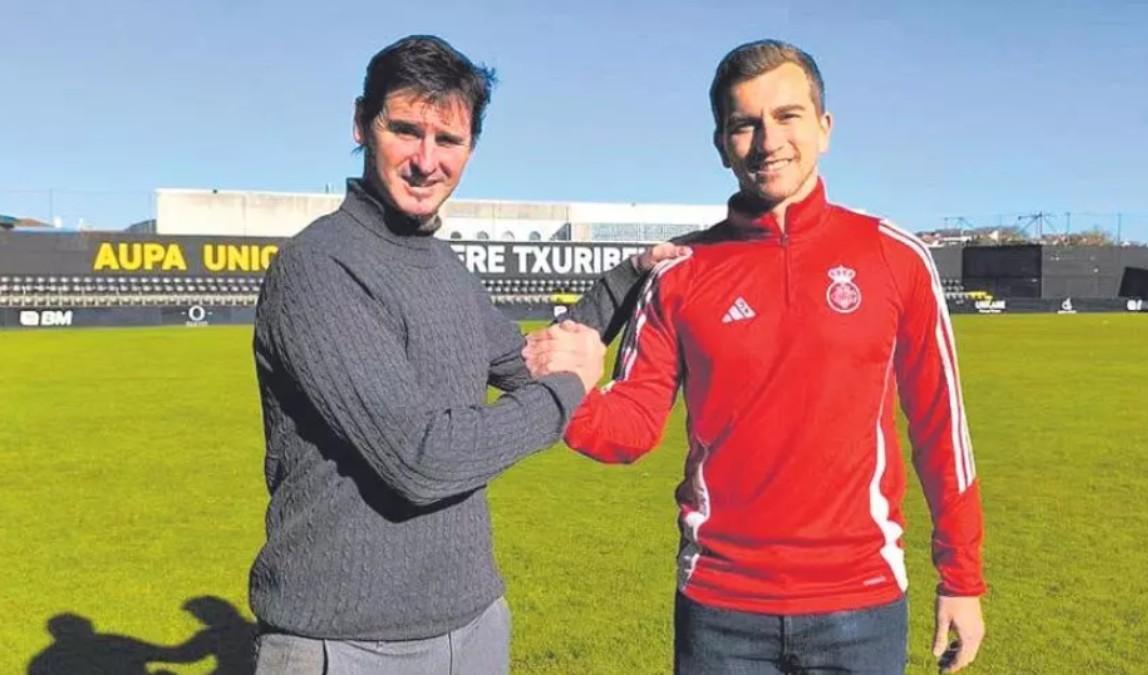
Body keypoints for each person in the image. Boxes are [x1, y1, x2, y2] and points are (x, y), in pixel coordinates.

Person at [526, 39, 986, 674]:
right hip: (720, 612)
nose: (768, 141)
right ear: (721, 144)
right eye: (745, 124)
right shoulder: (680, 275)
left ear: (825, 128)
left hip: (862, 605)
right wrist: (572, 391)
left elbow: (942, 431)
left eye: (788, 116)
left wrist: (961, 578)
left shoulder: (895, 258)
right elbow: (630, 430)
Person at [249, 34, 682, 674]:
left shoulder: (445, 268)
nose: (427, 160)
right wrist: (568, 393)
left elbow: (530, 361)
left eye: (448, 141)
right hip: (342, 644)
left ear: (471, 148)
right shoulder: (318, 268)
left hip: (472, 626)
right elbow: (419, 460)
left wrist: (629, 278)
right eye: (406, 130)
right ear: (361, 124)